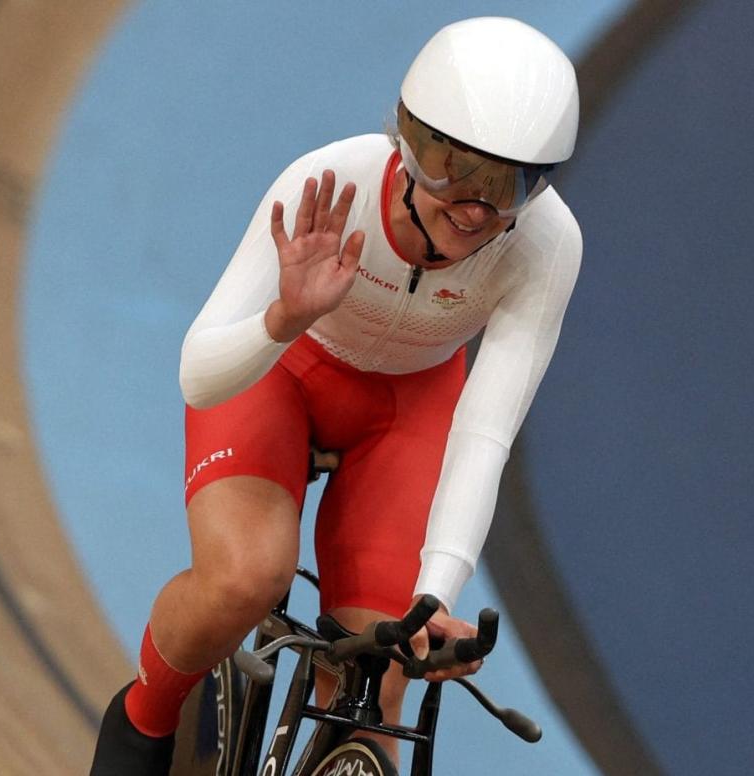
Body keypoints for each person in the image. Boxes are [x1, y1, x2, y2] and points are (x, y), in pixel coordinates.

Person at [91, 16, 582, 775]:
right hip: (283, 371)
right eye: (454, 169)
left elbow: (485, 434)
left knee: (383, 669)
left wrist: (433, 594)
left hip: (407, 412)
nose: (475, 208)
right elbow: (200, 374)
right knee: (245, 578)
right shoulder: (332, 182)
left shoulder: (548, 247)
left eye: (506, 185)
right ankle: (139, 725)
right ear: (409, 141)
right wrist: (282, 320)